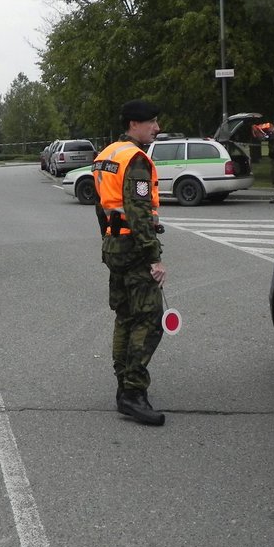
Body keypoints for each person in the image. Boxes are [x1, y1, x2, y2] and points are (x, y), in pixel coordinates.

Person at [93, 99, 168, 426]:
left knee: (124, 315)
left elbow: (101, 205)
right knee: (150, 319)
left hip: (114, 244)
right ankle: (133, 393)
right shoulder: (135, 159)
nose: (157, 127)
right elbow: (138, 212)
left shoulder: (106, 155)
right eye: (151, 122)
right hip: (135, 247)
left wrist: (108, 236)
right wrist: (154, 257)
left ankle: (123, 384)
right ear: (134, 125)